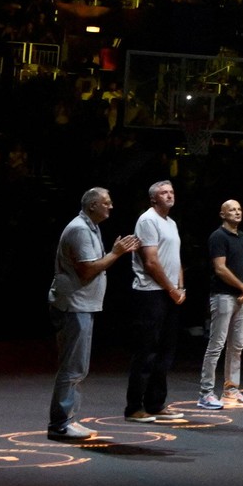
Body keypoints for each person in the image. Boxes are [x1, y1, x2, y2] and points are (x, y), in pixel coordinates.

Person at [47, 188, 139, 439]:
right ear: (92, 206)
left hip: (82, 304)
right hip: (74, 304)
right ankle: (60, 424)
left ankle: (68, 420)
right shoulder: (79, 229)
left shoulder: (90, 227)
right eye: (106, 203)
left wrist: (114, 252)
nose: (111, 207)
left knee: (77, 367)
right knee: (72, 367)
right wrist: (116, 253)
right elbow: (87, 271)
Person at [127, 180, 188, 424]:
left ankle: (156, 403)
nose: (169, 195)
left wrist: (180, 287)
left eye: (172, 191)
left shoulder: (171, 223)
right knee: (146, 351)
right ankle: (134, 407)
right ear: (153, 198)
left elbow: (176, 258)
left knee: (165, 351)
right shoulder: (147, 220)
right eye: (164, 192)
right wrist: (172, 289)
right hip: (150, 292)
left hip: (169, 292)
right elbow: (151, 262)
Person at [199, 199, 243, 409]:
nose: (237, 212)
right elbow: (220, 268)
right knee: (217, 345)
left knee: (237, 345)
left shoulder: (242, 237)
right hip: (223, 296)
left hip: (241, 297)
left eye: (239, 209)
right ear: (222, 214)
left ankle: (231, 389)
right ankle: (206, 393)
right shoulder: (218, 236)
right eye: (232, 210)